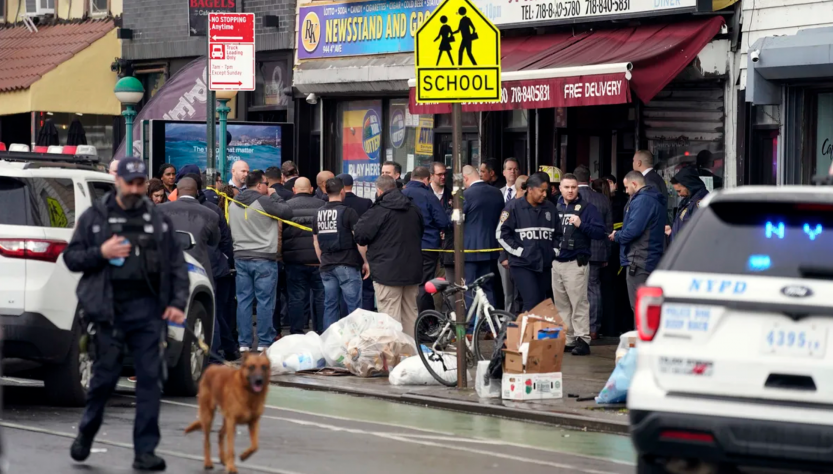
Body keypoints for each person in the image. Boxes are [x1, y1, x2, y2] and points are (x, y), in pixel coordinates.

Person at [65, 157, 188, 471]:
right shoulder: (96, 217)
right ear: (118, 181)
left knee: (150, 381)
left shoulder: (158, 221)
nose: (135, 189)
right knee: (103, 381)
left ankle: (144, 451)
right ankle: (86, 433)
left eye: (140, 183)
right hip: (108, 312)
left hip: (147, 312)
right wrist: (101, 253)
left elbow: (177, 266)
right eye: (129, 182)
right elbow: (72, 258)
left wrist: (176, 302)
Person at [228, 170, 292, 352]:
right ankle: (264, 341)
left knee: (244, 300)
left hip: (241, 257)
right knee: (265, 301)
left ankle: (244, 343)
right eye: (266, 184)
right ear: (259, 185)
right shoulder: (264, 201)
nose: (268, 187)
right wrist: (276, 196)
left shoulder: (233, 203)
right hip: (264, 257)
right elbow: (287, 212)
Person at [354, 175, 423, 337]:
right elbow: (421, 231)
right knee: (410, 314)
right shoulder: (413, 208)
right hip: (412, 270)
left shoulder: (379, 210)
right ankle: (411, 355)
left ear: (379, 190)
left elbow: (360, 235)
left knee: (389, 317)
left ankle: (393, 358)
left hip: (387, 271)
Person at [552, 174, 607, 356]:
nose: (570, 190)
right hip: (556, 262)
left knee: (579, 304)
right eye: (566, 187)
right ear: (560, 188)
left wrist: (581, 224)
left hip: (576, 262)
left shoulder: (587, 208)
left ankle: (582, 339)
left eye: (573, 187)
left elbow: (600, 232)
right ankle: (568, 340)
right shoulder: (555, 206)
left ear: (578, 188)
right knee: (562, 305)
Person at [497, 173, 562, 312]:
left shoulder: (550, 208)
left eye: (547, 191)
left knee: (541, 302)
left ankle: (526, 331)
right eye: (542, 190)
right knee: (532, 301)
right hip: (522, 264)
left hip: (544, 264)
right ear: (530, 189)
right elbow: (501, 234)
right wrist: (520, 252)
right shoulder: (513, 207)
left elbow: (559, 234)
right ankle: (524, 332)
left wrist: (554, 251)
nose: (545, 194)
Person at [313, 177, 370, 331]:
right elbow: (358, 240)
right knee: (354, 307)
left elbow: (316, 242)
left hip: (326, 265)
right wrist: (365, 261)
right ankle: (355, 343)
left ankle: (330, 344)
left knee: (330, 305)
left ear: (326, 192)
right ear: (342, 191)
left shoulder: (318, 213)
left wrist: (323, 260)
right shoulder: (348, 212)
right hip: (347, 264)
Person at [610, 171, 666, 309]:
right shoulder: (651, 198)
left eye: (627, 187)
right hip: (647, 258)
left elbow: (632, 231)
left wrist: (617, 235)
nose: (626, 191)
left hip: (639, 259)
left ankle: (640, 331)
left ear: (634, 184)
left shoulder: (642, 201)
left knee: (639, 308)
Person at [402, 166, 450, 313]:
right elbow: (443, 221)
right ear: (426, 179)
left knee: (409, 283)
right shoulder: (428, 196)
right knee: (424, 284)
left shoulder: (401, 194)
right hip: (427, 246)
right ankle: (426, 321)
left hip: (404, 246)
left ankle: (412, 319)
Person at [574, 167, 613, 340]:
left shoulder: (573, 198)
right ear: (589, 179)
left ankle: (578, 328)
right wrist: (606, 253)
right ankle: (594, 328)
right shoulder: (603, 199)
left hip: (576, 251)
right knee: (594, 289)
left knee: (575, 290)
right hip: (597, 251)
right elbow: (609, 229)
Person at [284, 177, 326, 334]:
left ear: (294, 190)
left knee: (296, 298)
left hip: (294, 261)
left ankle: (297, 331)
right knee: (321, 297)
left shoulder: (286, 207)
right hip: (318, 260)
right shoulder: (323, 206)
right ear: (311, 189)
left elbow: (281, 234)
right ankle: (321, 331)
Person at [158, 177, 220, 284]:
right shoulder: (211, 215)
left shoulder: (159, 210)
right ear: (196, 192)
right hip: (199, 272)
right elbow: (214, 242)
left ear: (176, 191)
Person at [462, 164, 505, 308]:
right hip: (491, 248)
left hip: (470, 250)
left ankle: (471, 326)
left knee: (470, 288)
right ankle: (489, 323)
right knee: (488, 287)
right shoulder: (497, 193)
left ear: (465, 178)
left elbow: (456, 221)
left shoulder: (466, 195)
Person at [336, 173, 375, 311]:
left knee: (343, 292)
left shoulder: (334, 205)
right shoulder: (365, 203)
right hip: (363, 251)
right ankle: (367, 322)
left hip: (341, 254)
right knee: (366, 291)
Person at [497, 158, 521, 313]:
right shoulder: (497, 193)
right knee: (507, 291)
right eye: (510, 169)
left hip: (518, 249)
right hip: (501, 249)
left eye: (516, 169)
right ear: (504, 172)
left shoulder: (523, 195)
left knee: (519, 292)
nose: (513, 171)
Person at [667, 166, 709, 243]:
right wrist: (673, 230)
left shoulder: (699, 203)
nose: (679, 195)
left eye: (679, 191)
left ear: (688, 185)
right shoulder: (688, 200)